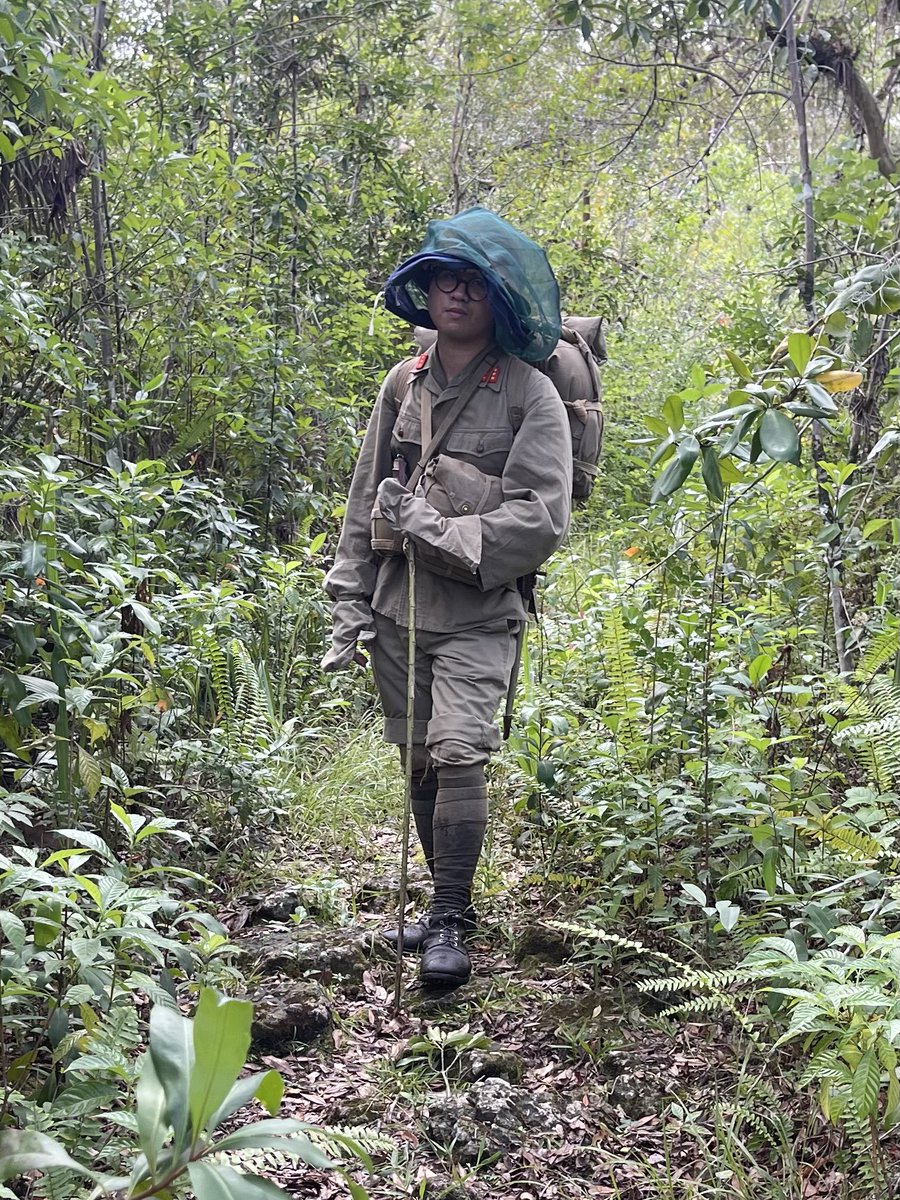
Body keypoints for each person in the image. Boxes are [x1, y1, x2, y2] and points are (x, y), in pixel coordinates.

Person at [322, 207, 572, 988]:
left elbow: (540, 519)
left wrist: (435, 526)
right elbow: (367, 495)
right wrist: (347, 600)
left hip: (479, 614)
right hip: (400, 611)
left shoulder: (532, 395)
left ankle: (453, 921)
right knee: (418, 762)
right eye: (442, 279)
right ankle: (439, 907)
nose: (455, 294)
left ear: (496, 299)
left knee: (459, 754)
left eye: (473, 282)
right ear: (424, 291)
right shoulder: (405, 381)